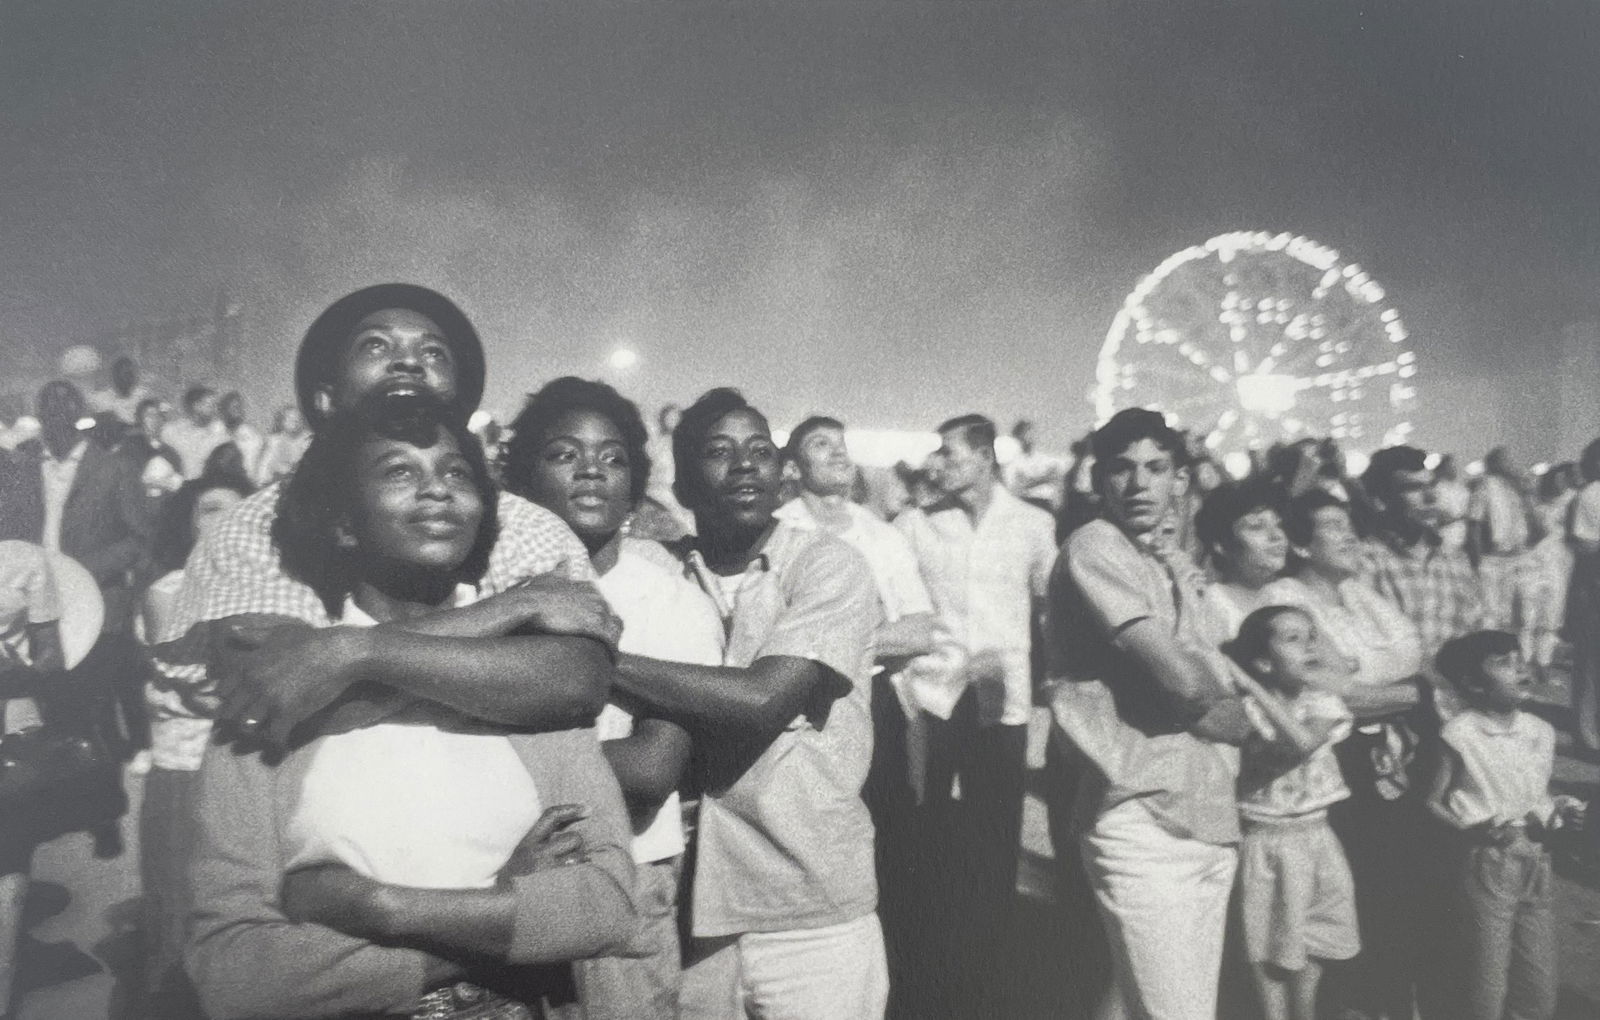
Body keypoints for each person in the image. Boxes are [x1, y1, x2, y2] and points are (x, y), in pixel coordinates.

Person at [185, 394, 640, 1020]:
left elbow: (605, 904)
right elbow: (231, 971)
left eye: (457, 473)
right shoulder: (278, 690)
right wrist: (503, 909)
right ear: (342, 520)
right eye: (400, 471)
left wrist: (380, 908)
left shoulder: (534, 679)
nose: (437, 491)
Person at [150, 283, 617, 760]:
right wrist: (511, 611)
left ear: (457, 405)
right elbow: (272, 693)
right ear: (327, 398)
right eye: (376, 345)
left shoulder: (524, 525)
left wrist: (343, 654)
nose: (410, 362)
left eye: (434, 353)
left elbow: (573, 679)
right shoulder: (254, 525)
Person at [606, 388, 885, 1020]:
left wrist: (597, 665)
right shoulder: (659, 574)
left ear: (783, 473)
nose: (745, 466)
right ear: (681, 481)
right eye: (719, 452)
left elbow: (760, 700)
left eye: (760, 451)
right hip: (692, 918)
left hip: (809, 908)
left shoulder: (828, 566)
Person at [504, 377, 724, 1020]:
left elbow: (653, 770)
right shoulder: (487, 589)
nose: (592, 470)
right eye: (565, 453)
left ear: (634, 484)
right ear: (523, 476)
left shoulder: (671, 601)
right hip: (501, 873)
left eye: (613, 456)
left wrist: (494, 769)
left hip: (627, 880)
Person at [1043, 408, 1251, 1020]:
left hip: (1205, 808)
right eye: (1121, 469)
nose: (1138, 485)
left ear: (1181, 480)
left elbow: (1213, 663)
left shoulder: (1164, 558)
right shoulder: (1095, 546)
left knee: (1145, 1007)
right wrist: (1234, 719)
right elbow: (1188, 686)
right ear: (1098, 479)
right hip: (1139, 808)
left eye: (1156, 469)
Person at [776, 415, 939, 1017]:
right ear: (792, 468)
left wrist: (841, 639)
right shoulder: (779, 531)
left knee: (890, 849)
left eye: (842, 447)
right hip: (801, 710)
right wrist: (866, 637)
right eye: (822, 446)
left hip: (877, 712)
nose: (839, 456)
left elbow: (921, 628)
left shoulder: (880, 534)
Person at [893, 413, 1055, 1015]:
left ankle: (990, 959)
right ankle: (925, 956)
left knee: (996, 827)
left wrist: (1050, 680)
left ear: (985, 455)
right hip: (933, 693)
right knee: (926, 820)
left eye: (951, 453)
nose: (940, 463)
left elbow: (1048, 607)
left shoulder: (1034, 524)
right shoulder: (917, 524)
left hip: (1000, 696)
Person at [136, 473, 253, 1017]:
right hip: (186, 771)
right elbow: (208, 691)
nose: (223, 522)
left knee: (245, 918)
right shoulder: (168, 591)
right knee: (182, 916)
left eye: (237, 510)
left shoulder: (263, 586)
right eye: (210, 510)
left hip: (247, 770)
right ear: (187, 521)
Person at [1423, 630, 1586, 1020]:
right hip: (1489, 860)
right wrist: (1472, 828)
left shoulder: (1539, 731)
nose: (1519, 667)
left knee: (1539, 974)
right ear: (1473, 684)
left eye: (1518, 658)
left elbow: (1533, 792)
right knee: (1488, 971)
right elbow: (1431, 802)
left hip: (1537, 858)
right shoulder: (1460, 733)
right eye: (1502, 662)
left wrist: (1560, 808)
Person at [0, 380, 155, 758]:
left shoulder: (114, 469)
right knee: (48, 710)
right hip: (39, 610)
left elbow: (140, 539)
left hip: (97, 605)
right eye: (48, 411)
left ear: (79, 415)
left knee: (91, 711)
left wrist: (85, 570)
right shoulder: (27, 470)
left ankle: (103, 803)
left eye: (65, 410)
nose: (57, 418)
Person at [1224, 606, 1359, 1020]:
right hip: (1266, 843)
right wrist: (1249, 689)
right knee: (1268, 951)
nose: (1310, 645)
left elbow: (1301, 742)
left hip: (1318, 837)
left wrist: (1251, 684)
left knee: (1315, 942)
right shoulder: (1244, 712)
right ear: (1264, 661)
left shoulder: (1321, 702)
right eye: (1294, 639)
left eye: (1312, 636)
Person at [0, 541, 67, 1018]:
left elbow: (52, 655)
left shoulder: (23, 560)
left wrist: (21, 671)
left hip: (13, 736)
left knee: (8, 878)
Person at [1360, 445, 1485, 665]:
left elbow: (1475, 632)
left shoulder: (1455, 561)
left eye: (1431, 485)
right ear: (1381, 500)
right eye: (1413, 488)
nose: (1431, 498)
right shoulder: (1366, 561)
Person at [1469, 447, 1541, 660]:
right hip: (1493, 559)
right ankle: (1488, 662)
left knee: (1522, 613)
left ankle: (1518, 661)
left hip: (1519, 557)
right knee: (1491, 614)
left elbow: (1537, 527)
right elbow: (1474, 525)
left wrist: (1527, 493)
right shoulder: (1485, 486)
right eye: (1508, 460)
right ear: (1496, 464)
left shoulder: (1518, 489)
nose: (1514, 464)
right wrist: (1477, 562)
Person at [1195, 478, 1290, 633]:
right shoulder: (1214, 604)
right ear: (1222, 545)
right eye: (1256, 527)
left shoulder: (1287, 594)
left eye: (1278, 524)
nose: (1277, 535)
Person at [1567, 438, 1600, 751]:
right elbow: (1585, 545)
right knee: (1592, 666)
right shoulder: (1592, 495)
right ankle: (1588, 736)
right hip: (1595, 591)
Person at [117, 398, 185, 497]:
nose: (155, 420)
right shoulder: (130, 447)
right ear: (140, 419)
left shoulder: (170, 452)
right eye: (150, 416)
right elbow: (126, 478)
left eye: (159, 416)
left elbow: (179, 481)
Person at [160, 385, 229, 480]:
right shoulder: (172, 430)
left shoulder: (219, 433)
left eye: (215, 406)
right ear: (196, 406)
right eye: (211, 406)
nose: (215, 410)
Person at [1003, 418, 1066, 514]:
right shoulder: (1013, 462)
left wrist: (1058, 500)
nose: (1030, 436)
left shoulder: (1045, 460)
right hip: (1025, 504)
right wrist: (1044, 478)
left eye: (1032, 432)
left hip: (1046, 505)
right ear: (1017, 436)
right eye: (1026, 432)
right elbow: (1015, 488)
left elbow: (1057, 480)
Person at [87, 355, 153, 427]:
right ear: (113, 376)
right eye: (120, 374)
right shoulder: (101, 399)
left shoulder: (144, 396)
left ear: (134, 376)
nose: (124, 378)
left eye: (128, 374)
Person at [255, 404, 311, 486]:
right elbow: (263, 469)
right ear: (282, 422)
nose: (295, 422)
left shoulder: (307, 438)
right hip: (279, 483)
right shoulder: (274, 441)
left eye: (297, 419)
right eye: (290, 419)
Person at [218, 390, 265, 483]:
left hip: (249, 483)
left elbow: (257, 462)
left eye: (239, 407)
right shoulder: (217, 432)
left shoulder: (251, 434)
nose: (238, 411)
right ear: (224, 410)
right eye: (233, 407)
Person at [1434, 454, 1471, 555]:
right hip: (1445, 540)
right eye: (1450, 466)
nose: (1453, 469)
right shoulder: (1438, 489)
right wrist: (1463, 516)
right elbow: (1441, 517)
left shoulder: (1463, 489)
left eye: (1454, 466)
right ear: (1443, 469)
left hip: (1462, 540)